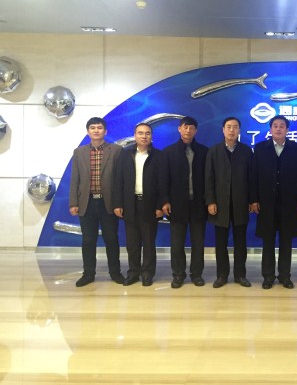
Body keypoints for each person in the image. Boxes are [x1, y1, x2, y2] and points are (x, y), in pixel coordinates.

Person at [250, 115, 297, 290]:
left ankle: (284, 276)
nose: (279, 128)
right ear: (270, 129)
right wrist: (254, 199)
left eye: (282, 126)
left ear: (287, 130)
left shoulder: (296, 149)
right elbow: (253, 175)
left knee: (286, 241)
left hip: (289, 202)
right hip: (266, 202)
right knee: (268, 241)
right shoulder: (260, 148)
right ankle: (268, 276)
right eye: (275, 126)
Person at [69, 117, 123, 287]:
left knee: (111, 239)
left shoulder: (116, 150)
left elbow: (120, 179)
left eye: (99, 127)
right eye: (92, 128)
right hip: (87, 202)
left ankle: (115, 272)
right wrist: (73, 203)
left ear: (105, 131)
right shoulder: (79, 152)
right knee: (88, 240)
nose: (96, 130)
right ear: (88, 131)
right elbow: (75, 179)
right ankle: (88, 274)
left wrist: (119, 203)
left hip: (109, 203)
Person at [160, 116, 208, 288]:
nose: (188, 130)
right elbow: (163, 179)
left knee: (198, 243)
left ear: (196, 131)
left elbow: (209, 179)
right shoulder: (168, 152)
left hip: (198, 204)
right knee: (177, 243)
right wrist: (165, 201)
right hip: (177, 204)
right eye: (185, 127)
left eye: (192, 128)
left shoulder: (204, 151)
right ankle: (178, 274)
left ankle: (197, 274)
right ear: (179, 129)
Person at [205, 117, 252, 288]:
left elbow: (251, 178)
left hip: (241, 203)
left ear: (239, 130)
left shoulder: (246, 151)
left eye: (235, 127)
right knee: (221, 243)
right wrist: (210, 201)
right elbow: (208, 178)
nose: (232, 130)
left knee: (241, 243)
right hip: (220, 204)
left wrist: (252, 200)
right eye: (229, 127)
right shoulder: (214, 151)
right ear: (223, 130)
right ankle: (222, 276)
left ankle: (240, 275)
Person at [113, 123, 163, 287]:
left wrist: (159, 206)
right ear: (135, 135)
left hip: (150, 205)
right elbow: (118, 180)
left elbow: (162, 183)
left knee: (148, 242)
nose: (144, 136)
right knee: (132, 243)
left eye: (147, 133)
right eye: (140, 133)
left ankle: (147, 273)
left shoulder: (158, 156)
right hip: (130, 204)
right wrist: (118, 204)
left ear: (151, 136)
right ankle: (133, 272)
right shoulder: (124, 154)